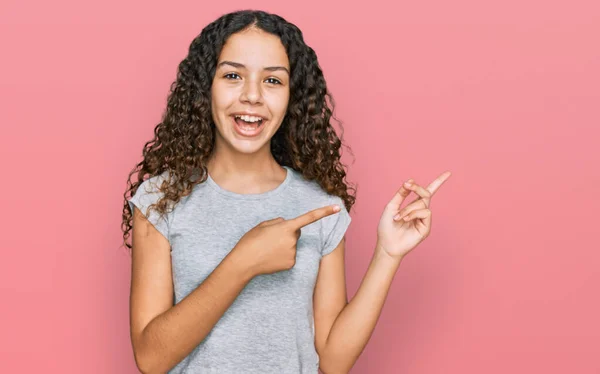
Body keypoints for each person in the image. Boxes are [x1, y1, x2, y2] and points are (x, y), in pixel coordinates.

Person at [121, 9, 451, 374]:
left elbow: (333, 360)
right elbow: (150, 359)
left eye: (273, 81)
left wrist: (387, 256)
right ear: (205, 88)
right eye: (232, 75)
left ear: (292, 96)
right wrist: (243, 262)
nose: (252, 96)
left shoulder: (320, 206)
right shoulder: (160, 198)